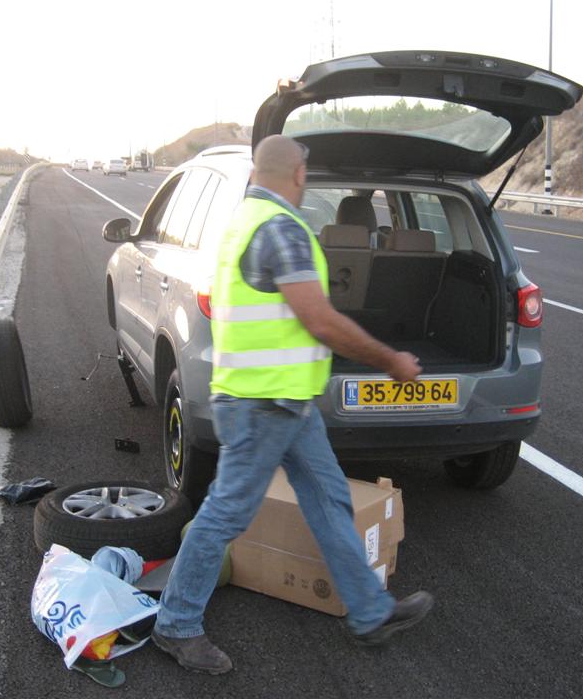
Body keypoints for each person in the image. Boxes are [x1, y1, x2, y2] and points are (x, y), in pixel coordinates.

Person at [151, 135, 434, 674]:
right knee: (225, 514)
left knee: (329, 501)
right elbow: (320, 320)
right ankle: (177, 624)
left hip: (284, 400)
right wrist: (390, 361)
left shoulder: (243, 219)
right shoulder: (282, 229)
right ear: (299, 174)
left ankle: (370, 613)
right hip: (262, 403)